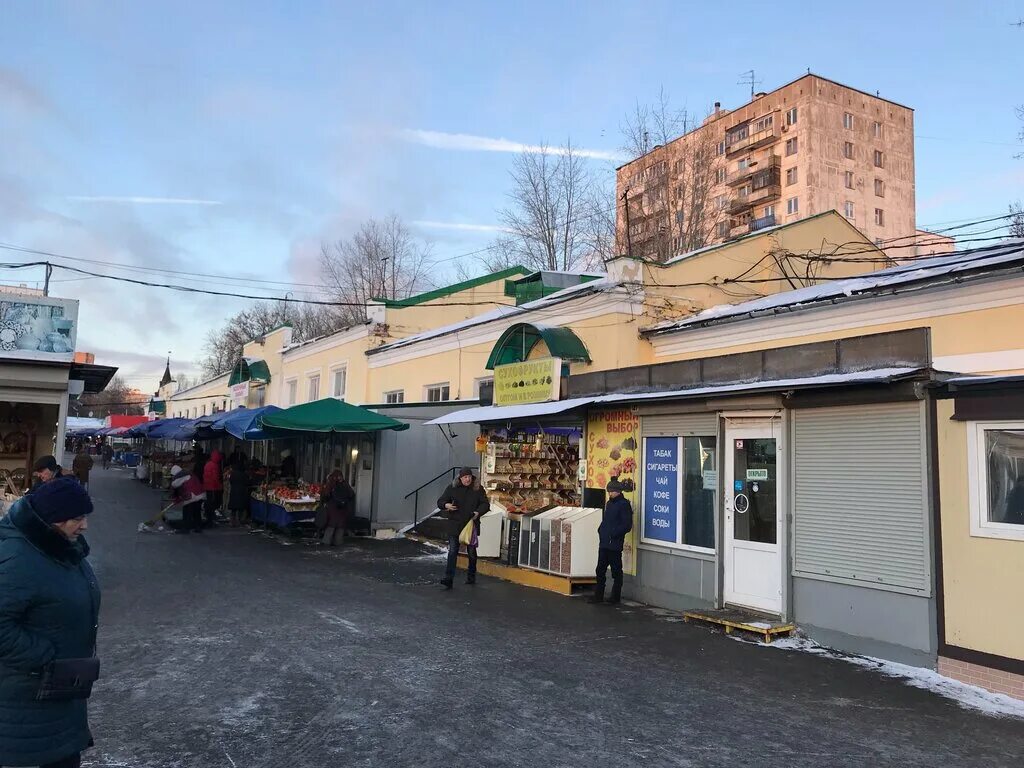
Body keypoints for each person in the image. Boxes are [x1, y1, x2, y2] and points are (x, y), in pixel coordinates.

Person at [0, 476, 100, 768]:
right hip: (25, 705)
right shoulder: (18, 559)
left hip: (58, 694)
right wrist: (47, 658)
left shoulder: (61, 548)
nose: (84, 526)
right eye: (76, 518)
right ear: (50, 519)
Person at [437, 467, 489, 590]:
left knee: (471, 552)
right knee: (453, 551)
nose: (468, 479)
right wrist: (446, 505)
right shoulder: (452, 488)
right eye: (465, 477)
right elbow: (440, 501)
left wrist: (478, 513)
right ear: (460, 478)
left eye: (469, 477)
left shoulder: (478, 489)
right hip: (455, 524)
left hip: (471, 524)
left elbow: (485, 504)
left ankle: (471, 577)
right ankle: (448, 579)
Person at [589, 479, 634, 605]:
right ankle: (598, 596)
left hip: (614, 544)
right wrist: (601, 531)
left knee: (616, 571)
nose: (610, 494)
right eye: (609, 491)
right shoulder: (609, 504)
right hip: (604, 543)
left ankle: (615, 597)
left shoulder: (624, 505)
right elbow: (606, 521)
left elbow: (627, 525)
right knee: (600, 570)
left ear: (618, 491)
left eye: (611, 491)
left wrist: (613, 534)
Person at [319, 462, 355, 547]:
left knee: (331, 524)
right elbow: (352, 494)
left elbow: (326, 495)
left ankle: (326, 541)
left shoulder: (331, 483)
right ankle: (338, 542)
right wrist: (345, 502)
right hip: (343, 508)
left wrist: (324, 502)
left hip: (333, 507)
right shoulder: (345, 484)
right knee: (340, 525)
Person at [170, 465, 205, 534]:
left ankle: (186, 528)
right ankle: (198, 527)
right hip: (200, 495)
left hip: (192, 496)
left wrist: (176, 498)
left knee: (186, 512)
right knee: (196, 512)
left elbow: (174, 486)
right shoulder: (189, 474)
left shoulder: (179, 477)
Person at [225, 455, 251, 527]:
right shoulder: (243, 474)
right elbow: (247, 482)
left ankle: (232, 521)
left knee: (233, 509)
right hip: (241, 492)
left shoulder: (232, 474)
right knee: (240, 508)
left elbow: (230, 481)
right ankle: (239, 520)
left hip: (234, 491)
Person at [202, 450, 225, 528]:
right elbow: (216, 477)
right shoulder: (215, 465)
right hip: (213, 487)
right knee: (212, 503)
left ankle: (208, 517)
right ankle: (210, 519)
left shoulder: (207, 464)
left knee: (208, 502)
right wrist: (220, 486)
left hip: (207, 486)